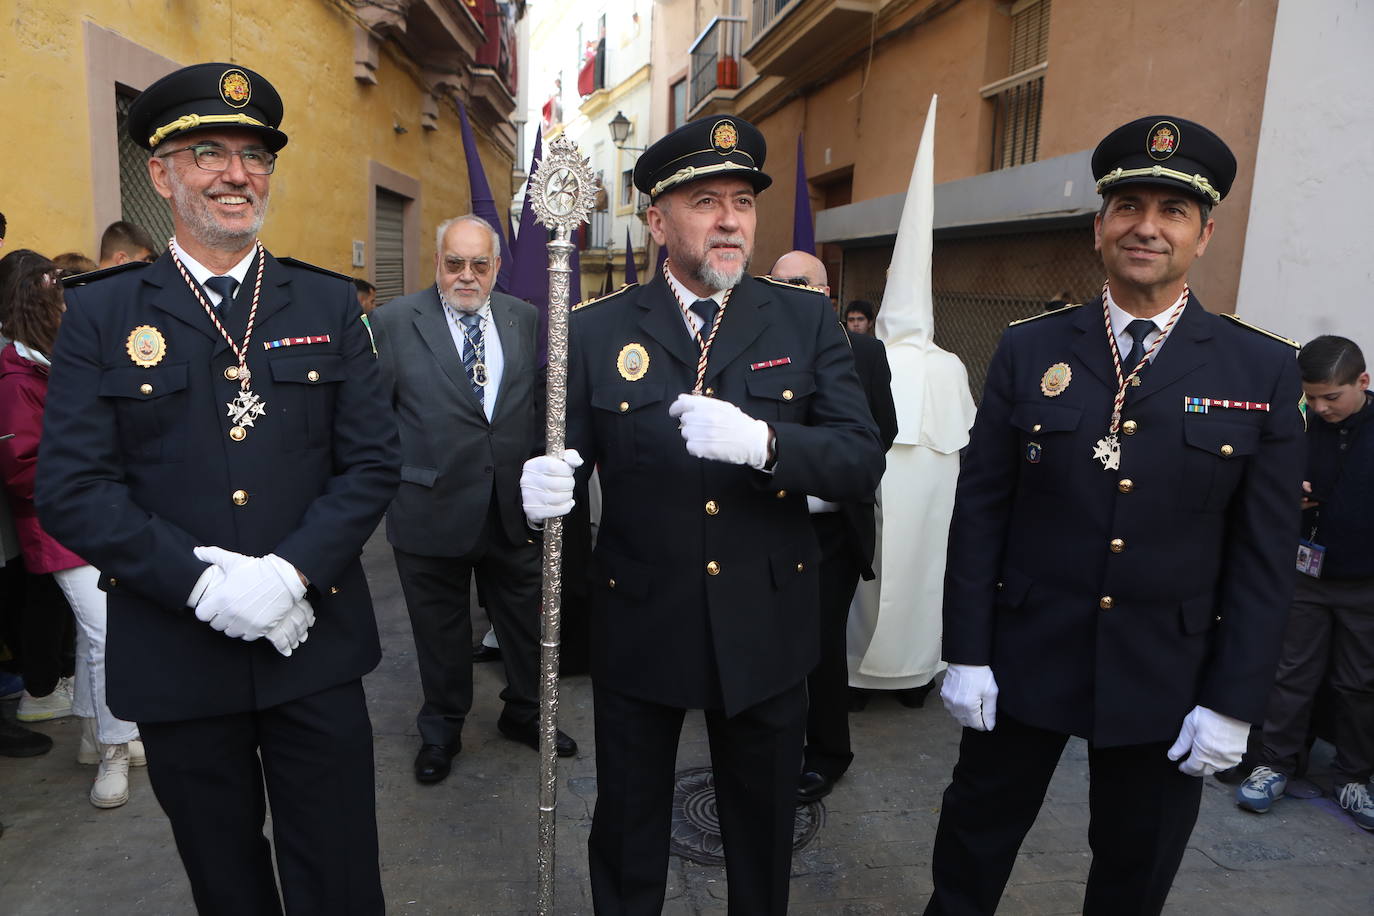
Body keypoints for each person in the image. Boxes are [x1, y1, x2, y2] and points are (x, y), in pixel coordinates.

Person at [36, 63, 399, 913]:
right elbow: (74, 488)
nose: (237, 173)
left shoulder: (326, 301)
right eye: (209, 152)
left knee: (342, 877)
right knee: (225, 883)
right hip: (178, 657)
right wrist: (201, 584)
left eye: (254, 155)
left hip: (312, 645)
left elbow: (372, 462)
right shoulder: (101, 313)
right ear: (161, 174)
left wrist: (287, 573)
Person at [925, 116, 1305, 915]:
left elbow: (1265, 557)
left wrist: (1236, 701)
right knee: (971, 847)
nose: (1147, 227)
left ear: (1204, 234)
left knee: (1133, 877)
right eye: (1129, 206)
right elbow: (982, 509)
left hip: (1168, 677)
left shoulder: (1261, 367)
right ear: (1099, 227)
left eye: (1172, 212)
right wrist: (965, 650)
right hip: (1023, 656)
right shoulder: (1030, 349)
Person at [521, 115, 885, 914]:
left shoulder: (803, 319)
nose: (729, 219)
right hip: (642, 618)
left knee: (761, 830)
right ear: (657, 221)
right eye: (703, 201)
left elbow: (861, 458)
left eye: (742, 202)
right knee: (627, 827)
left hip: (766, 617)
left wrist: (766, 443)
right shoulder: (594, 331)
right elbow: (562, 463)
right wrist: (535, 492)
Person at [370, 213, 576, 786]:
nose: (466, 276)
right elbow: (371, 419)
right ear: (437, 263)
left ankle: (528, 714)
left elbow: (534, 404)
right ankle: (441, 730)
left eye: (479, 264)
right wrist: (394, 483)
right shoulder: (391, 322)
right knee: (439, 635)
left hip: (511, 510)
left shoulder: (524, 318)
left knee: (526, 625)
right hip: (428, 511)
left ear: (496, 267)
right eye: (454, 263)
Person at [0, 257, 146, 808]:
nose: (66, 307)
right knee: (109, 632)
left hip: (86, 517)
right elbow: (23, 470)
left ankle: (92, 736)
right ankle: (114, 744)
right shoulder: (17, 379)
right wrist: (100, 465)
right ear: (34, 305)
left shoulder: (46, 365)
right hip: (60, 526)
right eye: (56, 298)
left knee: (93, 634)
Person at [770, 250, 898, 803]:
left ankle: (826, 753)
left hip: (831, 531)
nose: (788, 290)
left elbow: (881, 432)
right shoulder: (756, 345)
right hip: (768, 525)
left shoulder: (866, 353)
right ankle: (769, 744)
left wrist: (827, 473)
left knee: (821, 648)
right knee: (768, 641)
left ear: (826, 293)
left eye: (800, 283)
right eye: (778, 283)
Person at [1236, 335, 1374, 830]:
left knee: (1360, 685)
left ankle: (1354, 777)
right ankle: (1274, 765)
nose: (1319, 407)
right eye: (1310, 397)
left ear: (1363, 381)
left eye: (1330, 397)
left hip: (1366, 584)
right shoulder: (1293, 422)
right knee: (1290, 675)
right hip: (1303, 574)